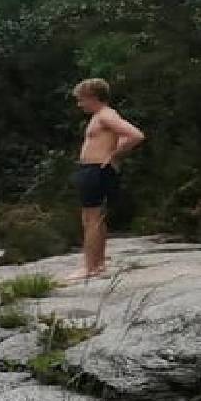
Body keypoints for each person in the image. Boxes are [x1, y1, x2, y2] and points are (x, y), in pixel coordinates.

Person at [67, 79, 146, 281]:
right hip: (93, 170)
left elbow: (135, 135)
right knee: (96, 218)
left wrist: (114, 155)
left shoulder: (105, 115)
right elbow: (121, 136)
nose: (79, 104)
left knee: (91, 219)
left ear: (93, 97)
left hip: (96, 170)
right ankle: (98, 263)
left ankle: (89, 267)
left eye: (81, 100)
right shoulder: (103, 116)